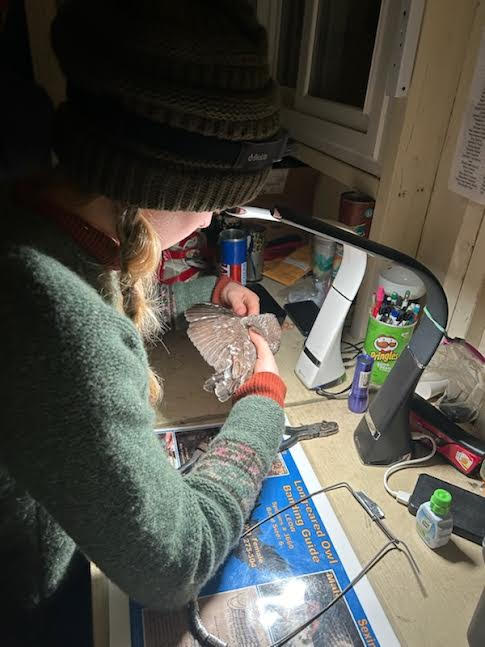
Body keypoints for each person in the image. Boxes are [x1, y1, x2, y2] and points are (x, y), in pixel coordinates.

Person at [1, 1, 287, 645]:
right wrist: (262, 406)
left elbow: (98, 300)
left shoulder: (37, 221)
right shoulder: (44, 309)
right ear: (163, 179)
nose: (214, 220)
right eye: (213, 200)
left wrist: (196, 306)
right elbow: (173, 565)